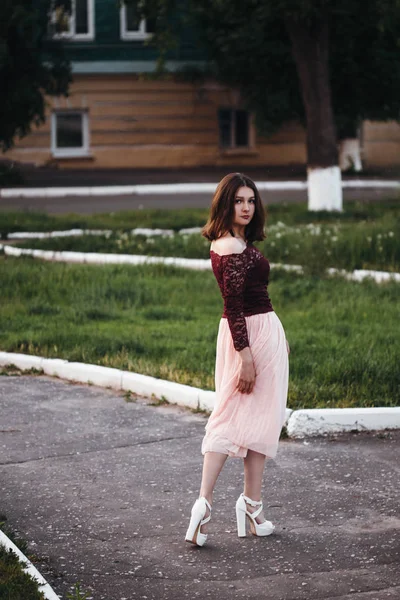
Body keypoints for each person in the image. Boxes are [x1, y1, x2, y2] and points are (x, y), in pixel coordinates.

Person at [185, 172, 289, 547]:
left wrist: (279, 339)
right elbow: (234, 303)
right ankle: (222, 503)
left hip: (256, 333)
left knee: (253, 421)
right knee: (235, 417)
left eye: (251, 201)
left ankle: (237, 506)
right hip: (248, 336)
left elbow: (248, 297)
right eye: (238, 201)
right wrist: (245, 354)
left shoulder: (229, 242)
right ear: (225, 204)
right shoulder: (231, 246)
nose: (246, 207)